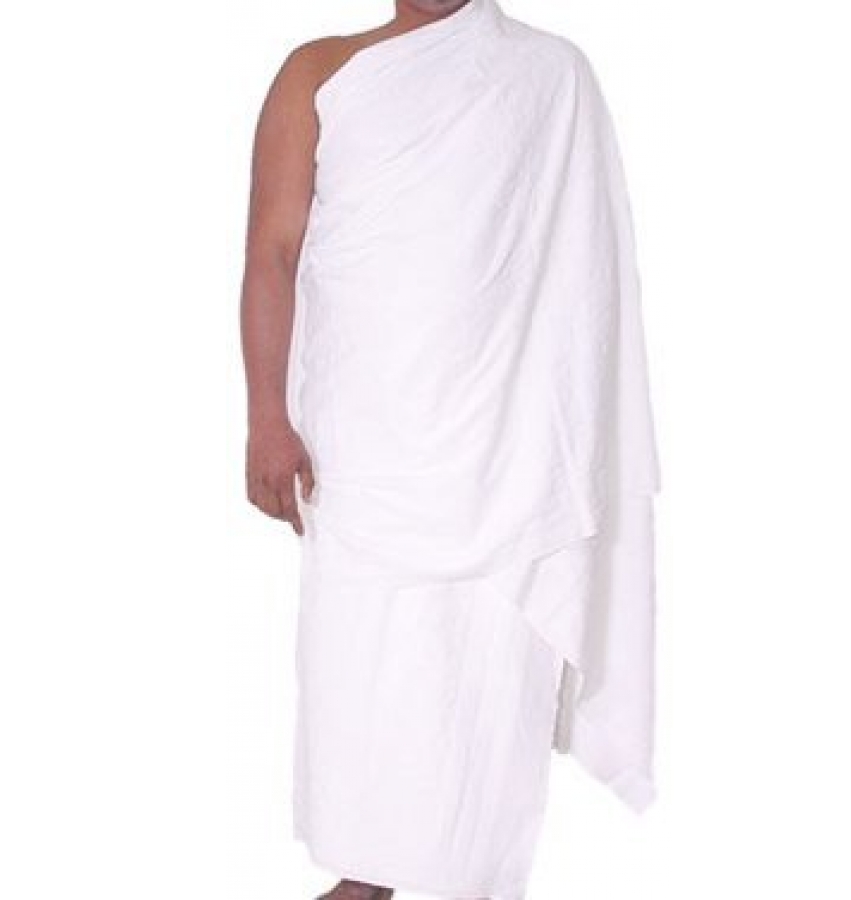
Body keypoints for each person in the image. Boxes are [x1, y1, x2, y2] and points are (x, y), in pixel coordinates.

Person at [240, 1, 662, 898]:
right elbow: (273, 252)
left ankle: (467, 880)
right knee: (364, 682)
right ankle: (366, 880)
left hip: (508, 458)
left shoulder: (549, 76)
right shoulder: (319, 71)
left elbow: (584, 278)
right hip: (365, 450)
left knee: (485, 691)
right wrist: (266, 417)